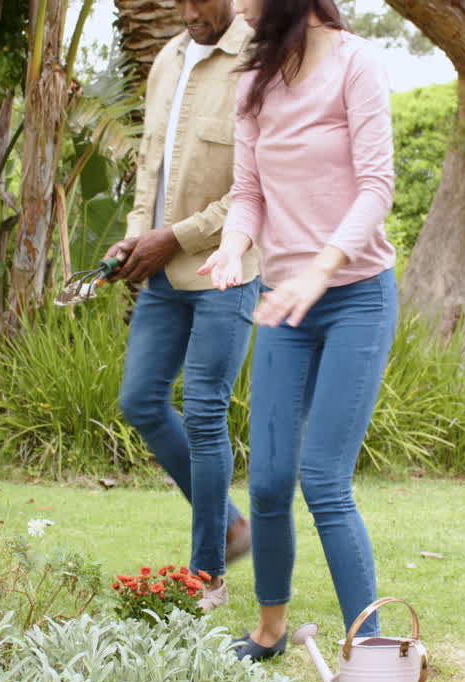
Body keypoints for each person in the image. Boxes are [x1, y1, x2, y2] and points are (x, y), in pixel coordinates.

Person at [197, 0, 398, 662]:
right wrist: (233, 246)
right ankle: (270, 630)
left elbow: (375, 188)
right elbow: (248, 193)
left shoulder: (355, 65)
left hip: (355, 300)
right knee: (269, 480)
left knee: (323, 478)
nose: (240, 7)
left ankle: (369, 660)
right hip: (285, 302)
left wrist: (322, 269)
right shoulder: (256, 82)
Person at [106, 0, 262, 611]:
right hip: (161, 270)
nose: (191, 11)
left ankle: (209, 576)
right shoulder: (169, 57)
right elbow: (152, 166)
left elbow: (254, 189)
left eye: (203, 0)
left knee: (203, 412)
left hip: (227, 268)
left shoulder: (258, 62)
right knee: (139, 398)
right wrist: (135, 232)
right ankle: (229, 523)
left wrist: (174, 236)